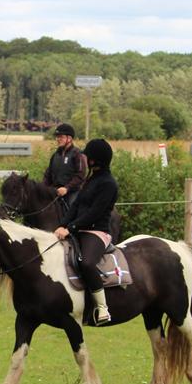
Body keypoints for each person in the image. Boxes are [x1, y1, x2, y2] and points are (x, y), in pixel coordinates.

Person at [54, 138, 118, 326]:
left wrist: (71, 228)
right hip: (80, 230)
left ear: (95, 160)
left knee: (86, 262)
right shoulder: (91, 180)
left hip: (97, 232)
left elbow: (94, 213)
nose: (85, 158)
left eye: (88, 156)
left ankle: (102, 308)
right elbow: (76, 207)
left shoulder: (108, 183)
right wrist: (62, 225)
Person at [43, 123, 87, 213]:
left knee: (73, 208)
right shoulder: (55, 155)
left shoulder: (77, 154)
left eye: (61, 137)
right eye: (57, 137)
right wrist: (42, 188)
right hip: (56, 191)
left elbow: (80, 175)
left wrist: (67, 188)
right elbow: (48, 175)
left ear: (69, 138)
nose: (58, 139)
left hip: (72, 191)